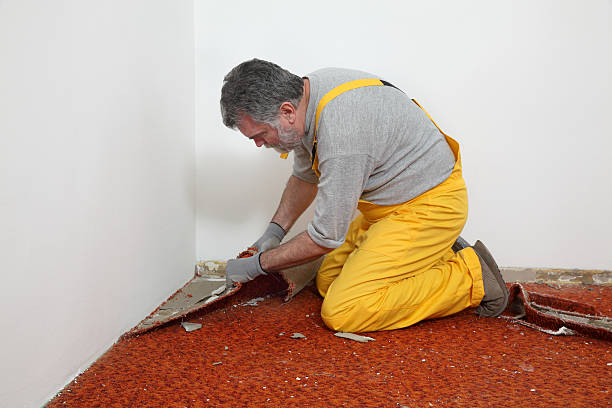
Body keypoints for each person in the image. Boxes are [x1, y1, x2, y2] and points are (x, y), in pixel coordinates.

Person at [219, 58, 508, 333]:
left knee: (344, 309)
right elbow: (305, 176)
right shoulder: (310, 95)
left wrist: (259, 264)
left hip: (430, 206)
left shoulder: (342, 131)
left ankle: (471, 275)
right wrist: (274, 232)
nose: (259, 144)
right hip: (389, 207)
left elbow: (324, 237)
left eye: (260, 134)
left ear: (286, 112)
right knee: (327, 281)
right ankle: (437, 253)